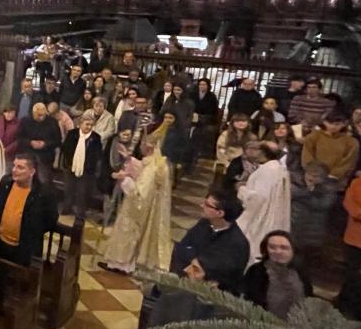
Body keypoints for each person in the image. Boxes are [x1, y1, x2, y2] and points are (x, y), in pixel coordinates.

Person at [100, 137, 174, 275]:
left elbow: (140, 194)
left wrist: (125, 179)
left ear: (149, 147)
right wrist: (129, 159)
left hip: (135, 211)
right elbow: (141, 168)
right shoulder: (152, 162)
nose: (140, 147)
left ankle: (121, 265)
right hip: (131, 208)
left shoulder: (154, 169)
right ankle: (117, 262)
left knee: (127, 233)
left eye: (143, 144)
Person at [171, 191, 250, 292]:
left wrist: (195, 260)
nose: (201, 205)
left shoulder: (237, 244)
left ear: (220, 213)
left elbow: (218, 271)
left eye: (207, 205)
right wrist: (194, 259)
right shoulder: (204, 223)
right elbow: (182, 246)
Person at [237, 141, 292, 264]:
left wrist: (241, 189)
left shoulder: (267, 171)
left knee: (252, 248)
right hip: (275, 215)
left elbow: (257, 199)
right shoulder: (280, 169)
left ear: (262, 152)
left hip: (261, 218)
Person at [242, 231, 312, 318]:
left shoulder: (300, 271)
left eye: (284, 248)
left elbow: (309, 299)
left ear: (293, 250)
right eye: (272, 247)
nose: (277, 251)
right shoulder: (256, 271)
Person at [60, 111, 104, 219]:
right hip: (71, 166)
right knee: (69, 189)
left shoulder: (96, 138)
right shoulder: (72, 134)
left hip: (87, 170)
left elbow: (97, 154)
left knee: (82, 192)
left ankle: (80, 213)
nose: (89, 127)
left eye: (91, 125)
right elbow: (66, 149)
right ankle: (67, 208)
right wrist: (69, 163)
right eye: (87, 124)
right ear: (81, 124)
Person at [300, 111, 358, 183]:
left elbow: (349, 161)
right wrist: (313, 173)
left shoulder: (351, 142)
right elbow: (307, 155)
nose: (333, 127)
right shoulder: (314, 136)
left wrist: (334, 175)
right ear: (324, 122)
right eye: (330, 123)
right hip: (313, 177)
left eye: (337, 124)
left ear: (343, 124)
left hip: (337, 179)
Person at [15, 102, 61, 184]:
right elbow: (19, 138)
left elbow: (58, 140)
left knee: (44, 181)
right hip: (28, 155)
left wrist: (45, 144)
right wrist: (30, 142)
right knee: (25, 180)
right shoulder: (25, 121)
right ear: (33, 113)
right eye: (38, 115)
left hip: (45, 157)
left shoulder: (52, 122)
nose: (40, 117)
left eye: (42, 115)